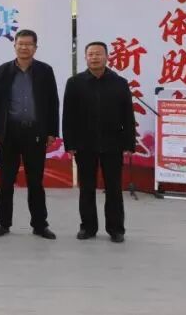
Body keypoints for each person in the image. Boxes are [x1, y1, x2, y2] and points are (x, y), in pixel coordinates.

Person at [62, 41, 136, 243]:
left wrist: (129, 143)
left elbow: (128, 115)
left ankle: (116, 229)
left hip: (113, 144)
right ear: (86, 57)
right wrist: (70, 143)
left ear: (107, 57)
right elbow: (68, 116)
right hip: (84, 144)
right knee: (86, 188)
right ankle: (88, 227)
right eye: (91, 54)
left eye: (98, 54)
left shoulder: (119, 83)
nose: (94, 57)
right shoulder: (74, 83)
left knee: (114, 189)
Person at [0, 29, 60, 240]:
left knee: (35, 181)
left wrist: (52, 131)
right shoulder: (2, 71)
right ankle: (3, 223)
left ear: (35, 47)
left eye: (29, 44)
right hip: (9, 132)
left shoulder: (45, 71)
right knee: (6, 181)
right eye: (20, 44)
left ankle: (40, 225)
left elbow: (53, 103)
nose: (24, 47)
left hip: (35, 132)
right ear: (15, 46)